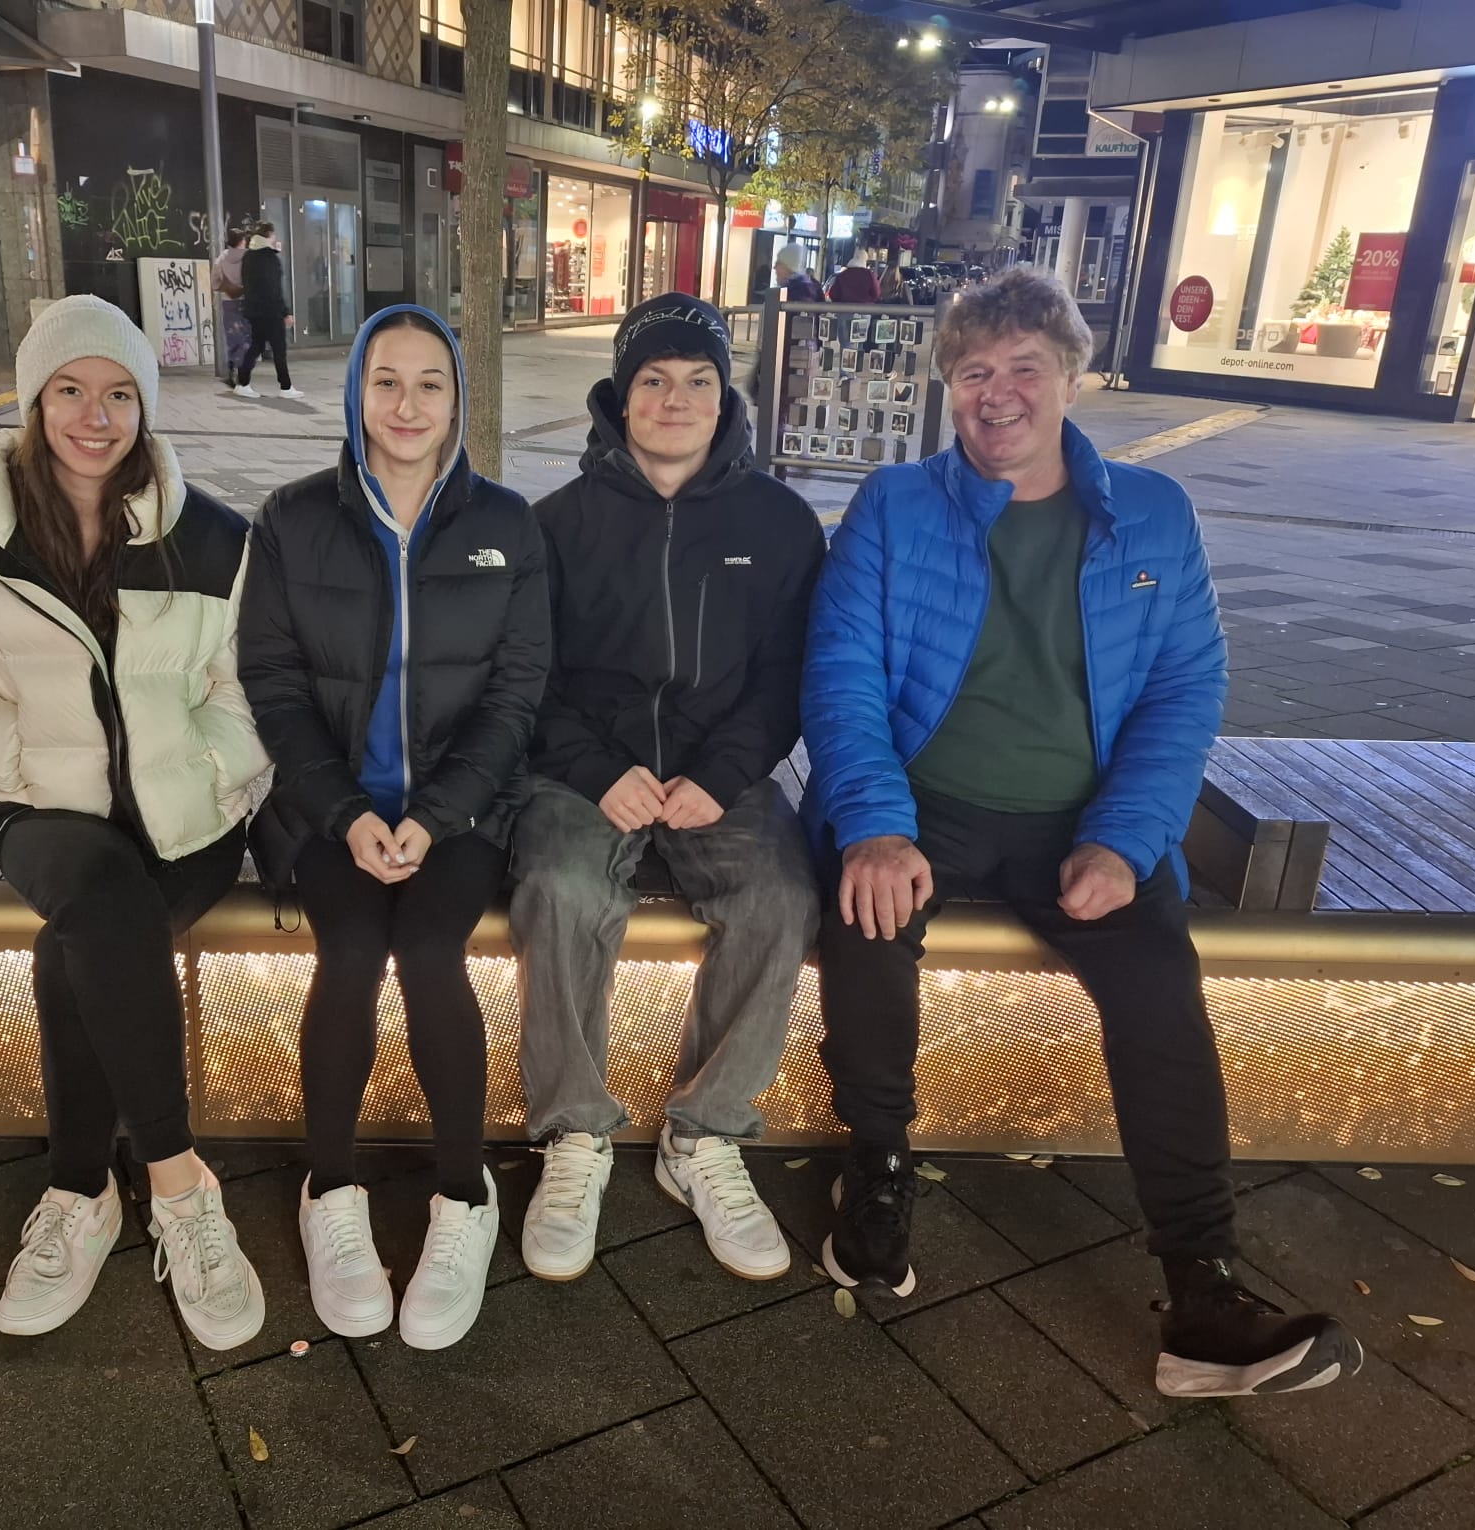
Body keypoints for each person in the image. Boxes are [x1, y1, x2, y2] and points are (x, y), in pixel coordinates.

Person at [802, 268, 1361, 1398]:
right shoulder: (894, 505)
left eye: (1024, 368)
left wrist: (1124, 838)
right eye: (973, 373)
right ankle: (878, 1172)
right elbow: (842, 675)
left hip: (1085, 817)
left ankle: (1202, 1288)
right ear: (948, 387)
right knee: (868, 924)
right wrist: (874, 824)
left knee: (1159, 982)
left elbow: (1186, 689)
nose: (997, 394)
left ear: (1072, 377)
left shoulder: (1153, 514)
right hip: (924, 799)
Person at [0, 294, 271, 1350]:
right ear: (33, 402)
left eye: (119, 395)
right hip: (46, 811)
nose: (95, 417)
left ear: (145, 407)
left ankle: (80, 1191)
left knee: (81, 945)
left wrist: (206, 768)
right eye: (69, 391)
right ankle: (181, 1185)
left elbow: (251, 689)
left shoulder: (212, 537)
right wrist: (37, 763)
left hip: (190, 816)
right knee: (95, 897)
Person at [240, 306, 549, 1349]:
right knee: (351, 951)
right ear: (355, 393)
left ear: (458, 399)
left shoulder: (507, 524)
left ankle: (463, 1196)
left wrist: (438, 813)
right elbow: (273, 683)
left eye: (430, 383)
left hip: (463, 812)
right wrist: (343, 811)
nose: (407, 405)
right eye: (386, 382)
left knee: (426, 949)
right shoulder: (291, 520)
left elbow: (517, 694)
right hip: (327, 809)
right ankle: (330, 1191)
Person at [511, 293, 825, 1283]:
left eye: (698, 380)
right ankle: (574, 1132)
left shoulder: (779, 524)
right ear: (620, 396)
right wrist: (597, 772)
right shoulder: (556, 525)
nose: (675, 399)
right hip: (584, 771)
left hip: (719, 772)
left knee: (781, 897)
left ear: (725, 397)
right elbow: (527, 677)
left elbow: (787, 678)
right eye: (654, 379)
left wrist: (721, 777)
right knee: (561, 888)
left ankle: (706, 1132)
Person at [234, 221, 305, 402]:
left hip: (254, 310)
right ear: (269, 235)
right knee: (279, 349)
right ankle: (285, 387)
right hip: (270, 311)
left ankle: (242, 382)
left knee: (256, 345)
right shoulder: (269, 258)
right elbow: (274, 289)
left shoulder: (249, 256)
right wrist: (285, 312)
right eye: (273, 235)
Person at [214, 227, 253, 381]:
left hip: (228, 301)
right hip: (246, 301)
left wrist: (227, 287)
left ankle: (231, 368)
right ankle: (242, 372)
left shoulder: (221, 258)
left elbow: (215, 283)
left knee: (233, 338)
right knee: (248, 337)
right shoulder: (249, 257)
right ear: (242, 241)